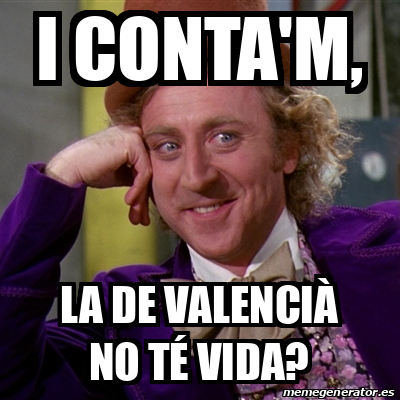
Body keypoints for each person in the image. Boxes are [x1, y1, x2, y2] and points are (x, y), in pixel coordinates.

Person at [1, 1, 400, 399]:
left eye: (224, 137)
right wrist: (62, 176)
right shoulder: (116, 320)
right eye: (168, 145)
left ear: (288, 145)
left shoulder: (391, 249)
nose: (197, 176)